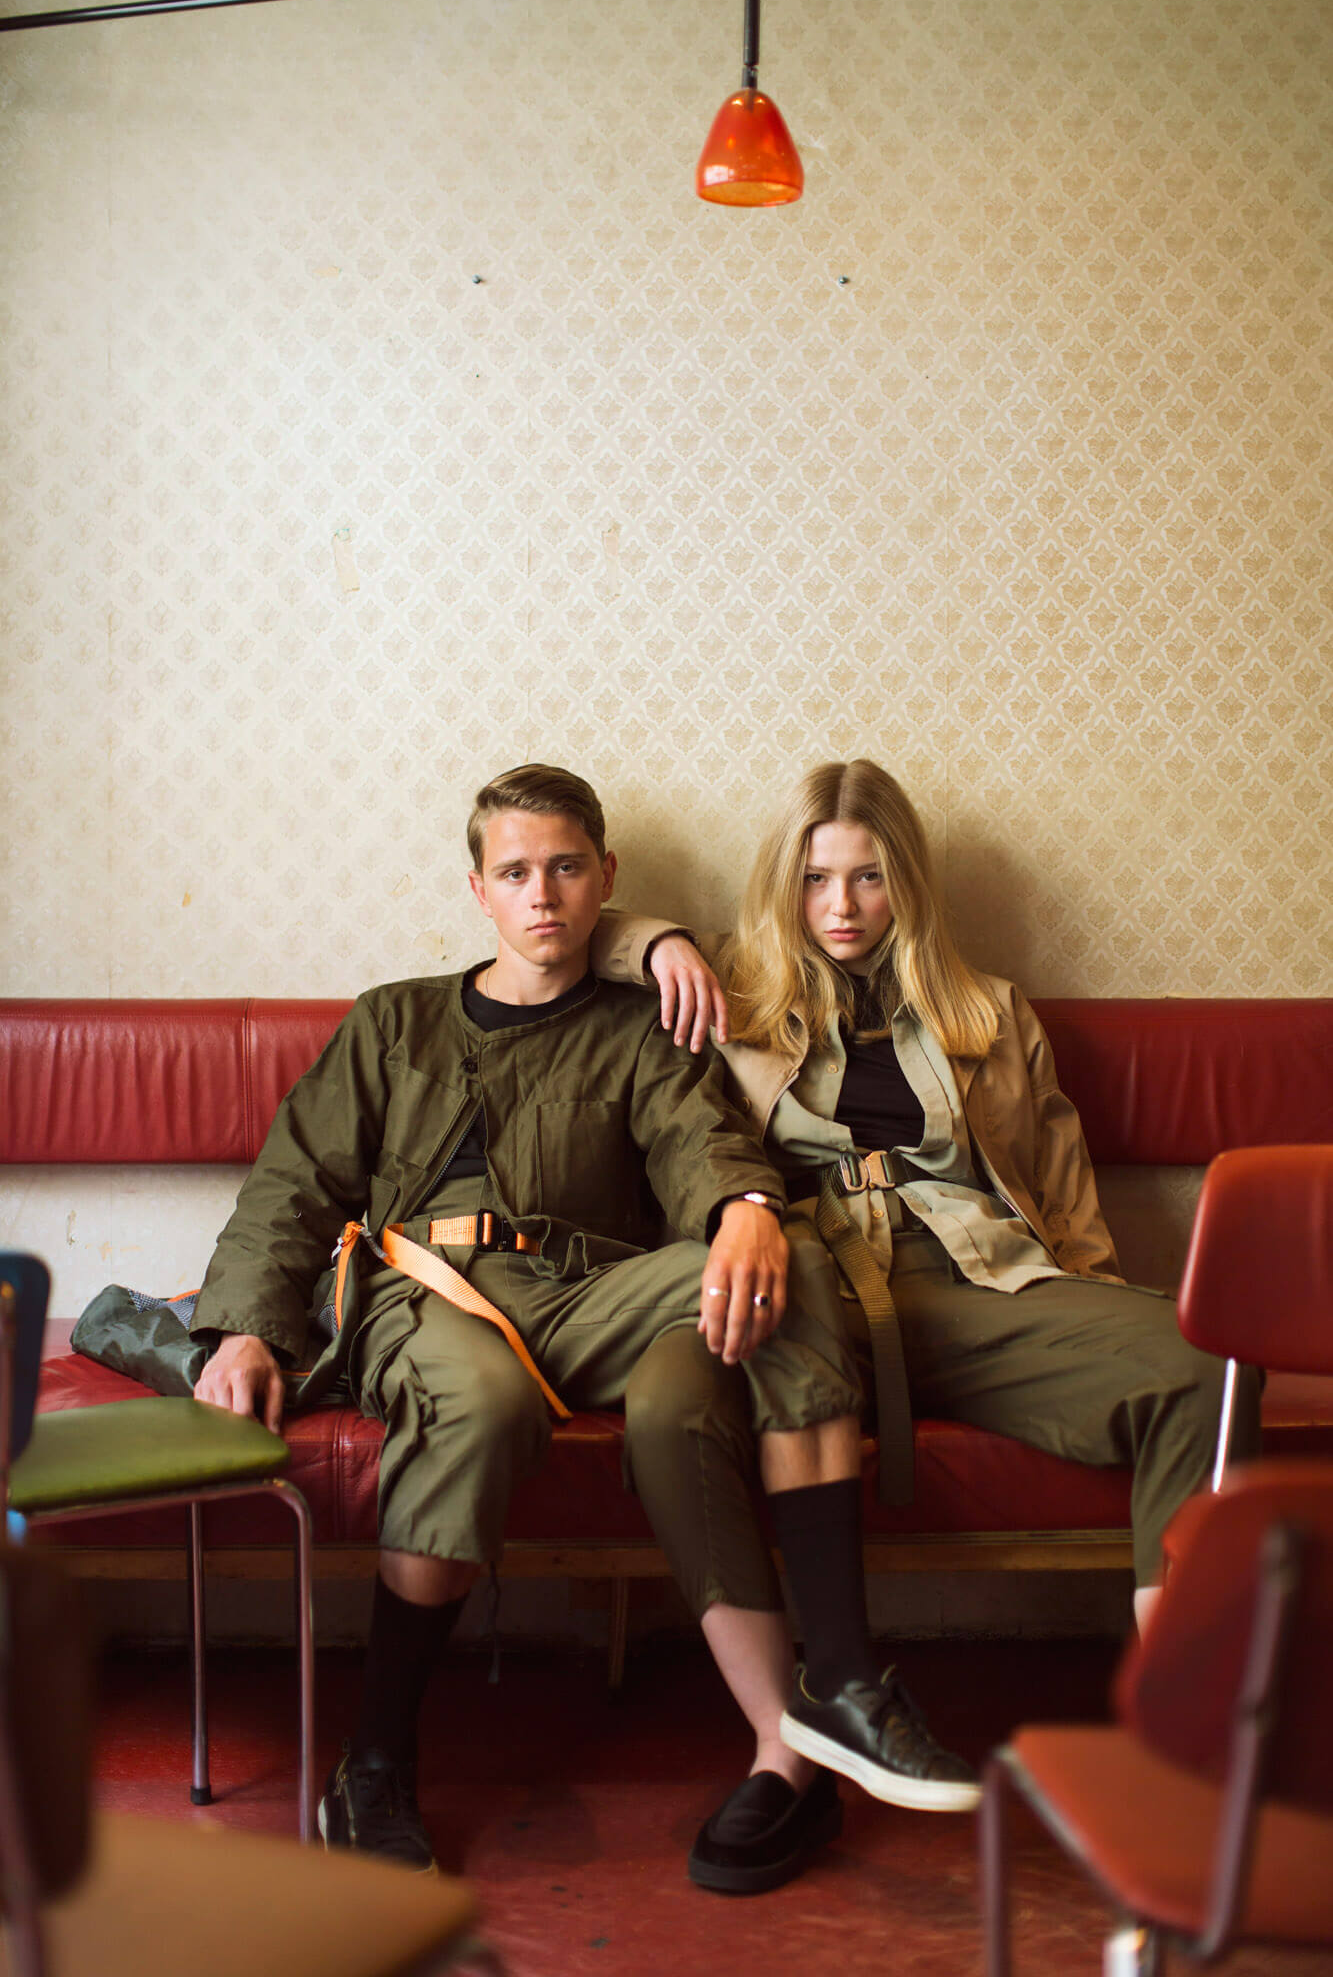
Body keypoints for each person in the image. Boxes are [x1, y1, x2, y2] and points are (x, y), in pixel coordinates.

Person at [189, 763, 977, 1895]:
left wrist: (749, 1210)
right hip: (431, 1288)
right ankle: (374, 1756)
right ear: (478, 889)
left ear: (605, 877)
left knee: (788, 1253)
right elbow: (291, 1188)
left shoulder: (641, 1026)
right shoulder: (394, 1020)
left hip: (593, 1292)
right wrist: (243, 1331)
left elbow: (700, 1144)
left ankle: (844, 1680)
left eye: (565, 866)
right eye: (515, 871)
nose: (542, 893)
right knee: (482, 1399)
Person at [599, 756, 1261, 1671]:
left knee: (1211, 1371)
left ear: (903, 883)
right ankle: (795, 1720)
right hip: (805, 1300)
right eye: (815, 879)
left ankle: (1187, 1699)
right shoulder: (728, 992)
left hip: (972, 1285)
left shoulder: (988, 1012)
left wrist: (1085, 1323)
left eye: (868, 877)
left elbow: (1059, 1187)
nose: (841, 905)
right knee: (670, 1404)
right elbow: (568, 929)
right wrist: (661, 946)